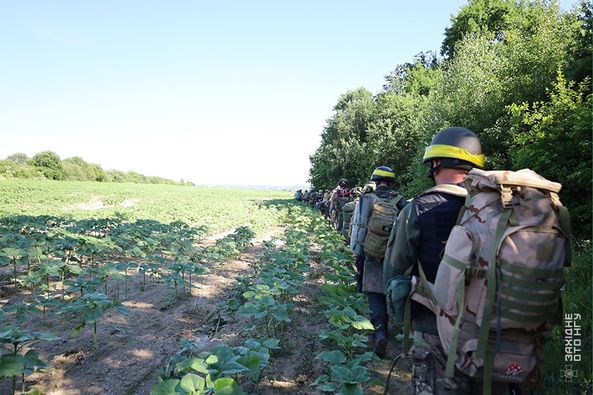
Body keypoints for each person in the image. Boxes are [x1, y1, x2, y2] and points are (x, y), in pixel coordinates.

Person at [383, 127, 484, 393]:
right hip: (495, 334)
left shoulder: (417, 208)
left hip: (435, 330)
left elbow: (393, 273)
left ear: (436, 163)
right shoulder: (498, 207)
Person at [349, 166, 406, 358]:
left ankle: (380, 332)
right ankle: (399, 328)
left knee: (374, 293)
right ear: (391, 182)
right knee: (392, 290)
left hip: (371, 252)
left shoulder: (366, 198)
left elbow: (359, 226)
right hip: (394, 255)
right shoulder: (401, 201)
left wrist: (359, 256)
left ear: (375, 180)